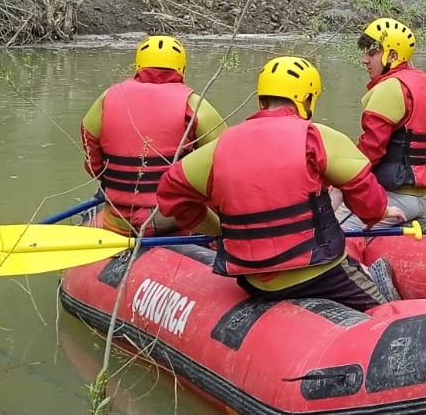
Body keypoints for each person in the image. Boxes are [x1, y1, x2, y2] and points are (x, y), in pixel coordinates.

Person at [151, 56, 407, 312]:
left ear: (262, 99)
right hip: (320, 272)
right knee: (386, 312)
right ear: (307, 99)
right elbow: (366, 193)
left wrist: (217, 229)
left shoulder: (219, 147)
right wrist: (379, 213)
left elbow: (171, 192)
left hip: (254, 281)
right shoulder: (316, 137)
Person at [80, 35, 225, 236]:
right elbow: (226, 168)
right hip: (170, 220)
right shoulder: (195, 104)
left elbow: (94, 167)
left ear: (138, 66)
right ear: (181, 68)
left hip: (117, 217)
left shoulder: (105, 99)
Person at [336, 17, 426, 231]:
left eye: (372, 53)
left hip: (392, 197)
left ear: (392, 56)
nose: (364, 59)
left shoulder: (391, 88)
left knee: (330, 230)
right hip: (415, 197)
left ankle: (351, 263)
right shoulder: (420, 81)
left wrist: (335, 177)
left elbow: (369, 153)